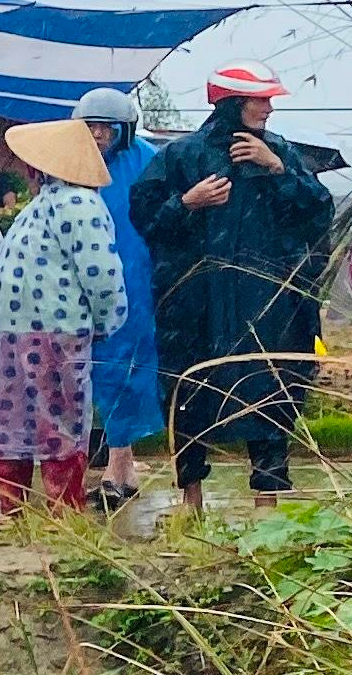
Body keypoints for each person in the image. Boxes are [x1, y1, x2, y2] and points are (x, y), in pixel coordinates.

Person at [136, 61, 335, 512]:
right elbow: (147, 222)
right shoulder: (179, 158)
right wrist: (186, 203)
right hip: (196, 305)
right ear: (231, 104)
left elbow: (317, 213)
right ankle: (191, 500)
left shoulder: (281, 153)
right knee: (190, 393)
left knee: (269, 390)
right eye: (259, 100)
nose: (268, 109)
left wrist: (279, 170)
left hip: (267, 303)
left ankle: (268, 504)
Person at [0, 117, 130, 516]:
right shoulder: (69, 205)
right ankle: (57, 516)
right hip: (49, 334)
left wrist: (106, 321)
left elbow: (99, 274)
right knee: (53, 425)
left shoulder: (65, 205)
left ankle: (25, 515)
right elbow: (103, 275)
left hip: (28, 333)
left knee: (19, 424)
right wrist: (108, 322)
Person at [78, 88, 166, 509]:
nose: (97, 135)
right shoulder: (71, 164)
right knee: (83, 373)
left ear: (124, 130)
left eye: (106, 128)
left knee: (126, 369)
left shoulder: (147, 160)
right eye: (90, 127)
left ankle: (120, 464)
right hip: (81, 280)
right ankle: (89, 464)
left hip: (135, 277)